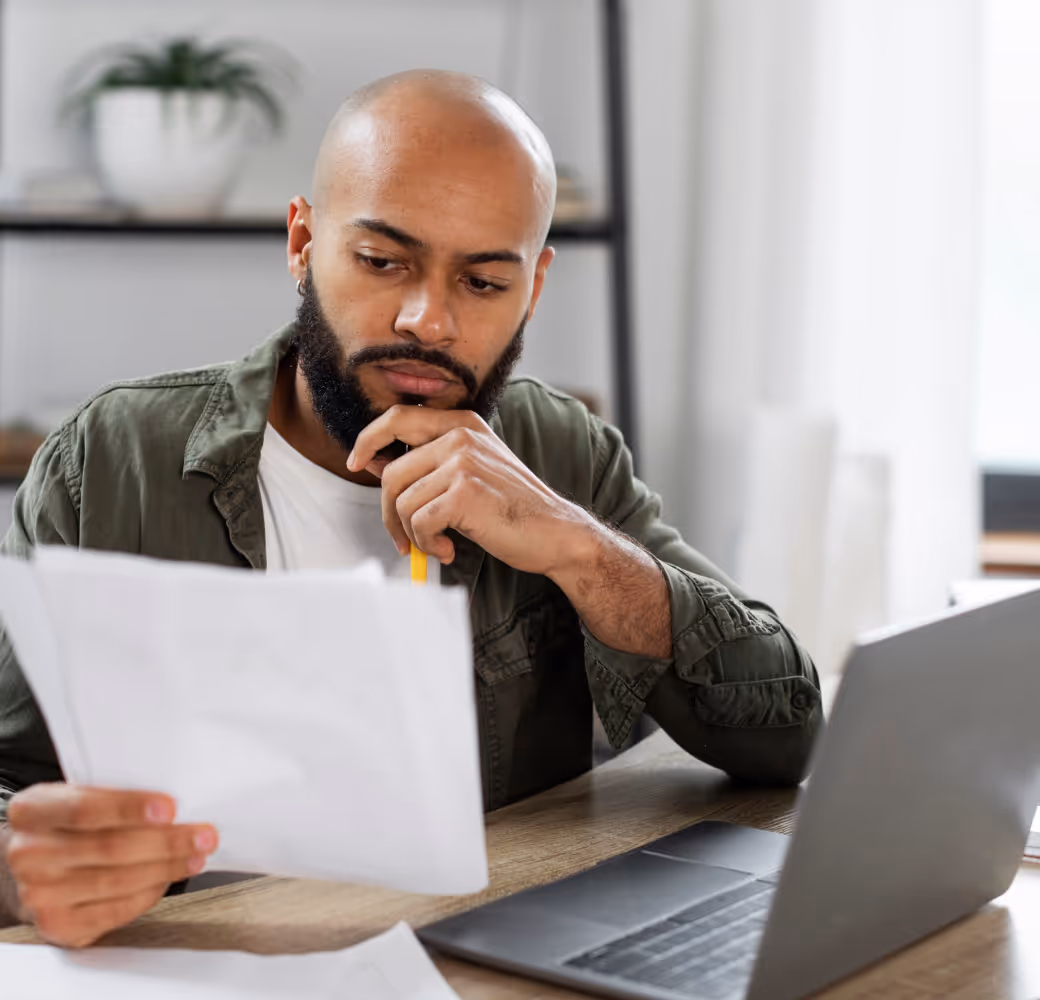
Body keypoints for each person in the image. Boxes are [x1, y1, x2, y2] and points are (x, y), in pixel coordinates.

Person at [0, 70, 821, 947]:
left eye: (482, 283)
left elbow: (784, 736)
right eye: (384, 261)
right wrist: (19, 867)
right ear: (303, 241)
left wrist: (579, 551)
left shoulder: (562, 452)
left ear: (533, 288)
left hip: (474, 967)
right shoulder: (111, 460)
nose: (429, 321)